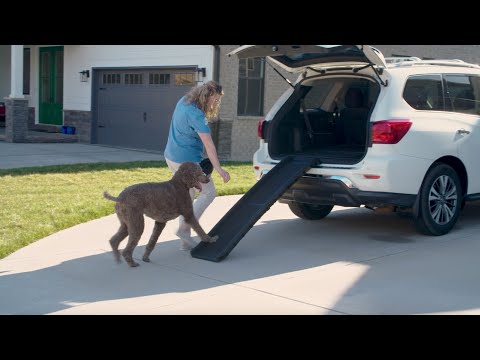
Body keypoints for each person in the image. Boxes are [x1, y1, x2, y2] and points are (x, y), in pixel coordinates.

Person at [164, 80, 231, 251]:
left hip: (171, 156)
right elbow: (209, 146)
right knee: (209, 192)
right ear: (206, 96)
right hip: (186, 162)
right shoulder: (197, 115)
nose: (216, 103)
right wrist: (219, 169)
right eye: (215, 100)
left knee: (188, 196)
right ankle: (184, 228)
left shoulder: (184, 100)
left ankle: (185, 243)